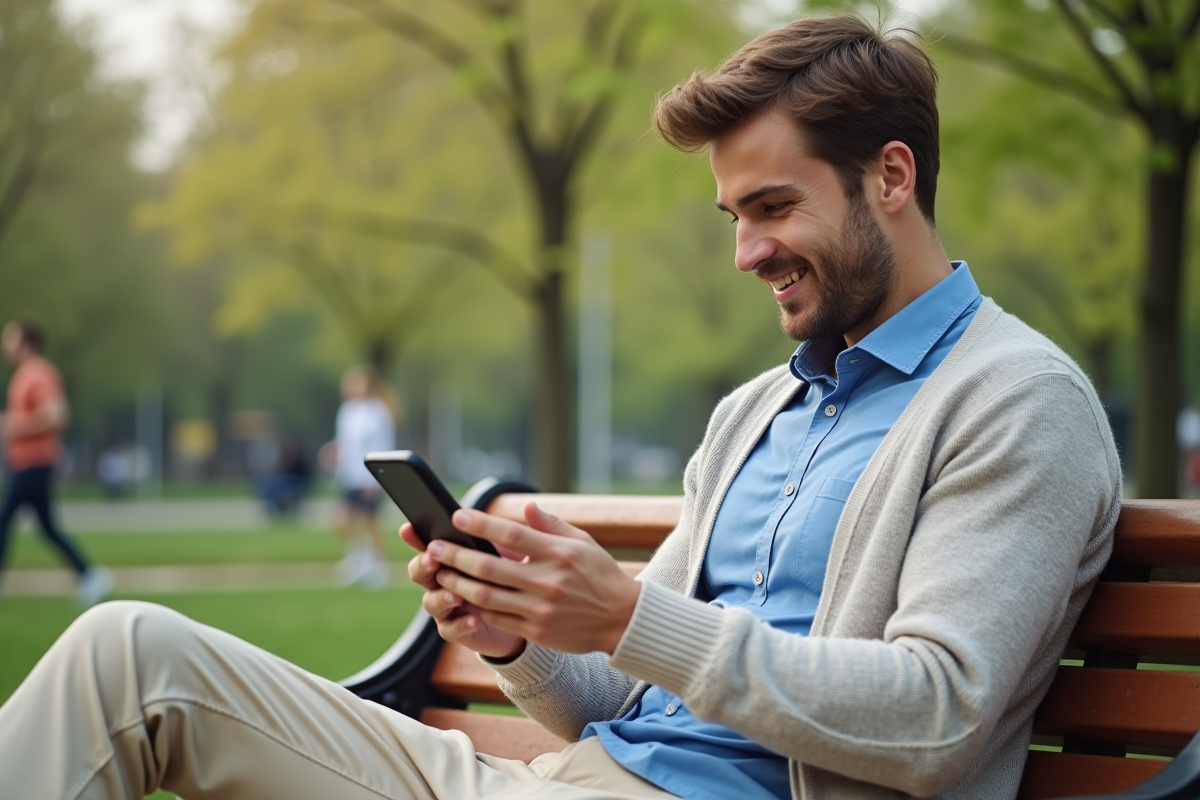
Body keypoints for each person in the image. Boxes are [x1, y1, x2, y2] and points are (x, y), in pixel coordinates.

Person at [0, 16, 1121, 800]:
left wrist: (632, 614)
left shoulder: (1016, 400)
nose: (746, 252)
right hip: (561, 779)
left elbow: (935, 719)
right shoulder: (756, 412)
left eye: (774, 206)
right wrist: (520, 640)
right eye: (732, 214)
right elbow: (622, 698)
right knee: (126, 652)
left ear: (891, 176)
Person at [0, 320, 112, 606]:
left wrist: (12, 425)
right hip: (28, 462)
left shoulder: (37, 374)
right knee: (47, 527)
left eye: (9, 338)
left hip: (33, 462)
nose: (4, 343)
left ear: (26, 342)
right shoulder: (25, 375)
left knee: (4, 519)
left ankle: (90, 575)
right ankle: (89, 574)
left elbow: (56, 415)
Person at [325, 365, 398, 588]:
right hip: (349, 474)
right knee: (341, 520)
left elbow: (381, 445)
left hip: (369, 476)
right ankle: (359, 558)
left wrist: (375, 479)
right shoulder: (347, 411)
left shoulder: (378, 412)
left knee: (371, 522)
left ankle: (378, 568)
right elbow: (346, 443)